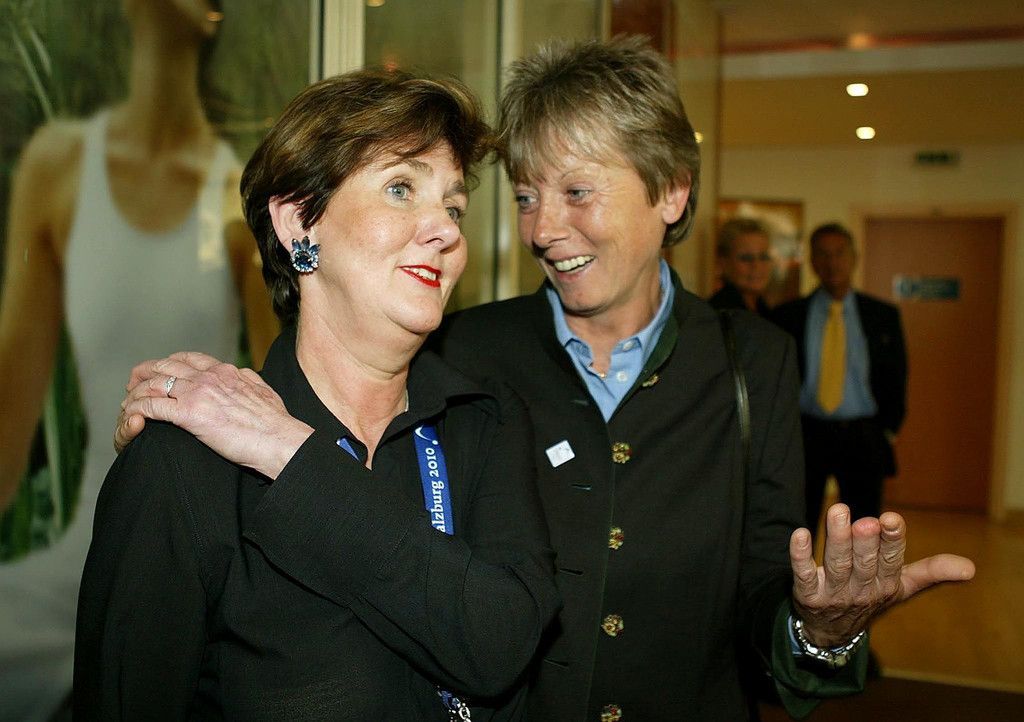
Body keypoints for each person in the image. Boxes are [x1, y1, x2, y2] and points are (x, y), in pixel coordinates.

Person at [115, 38, 972, 721]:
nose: (543, 229)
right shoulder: (463, 356)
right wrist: (187, 429)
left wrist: (817, 630)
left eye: (576, 191)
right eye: (525, 197)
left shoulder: (754, 362)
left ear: (671, 192)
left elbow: (758, 587)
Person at [75, 67, 560, 720]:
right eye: (400, 188)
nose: (445, 230)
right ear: (299, 222)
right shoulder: (183, 467)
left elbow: (502, 643)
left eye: (453, 208)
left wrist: (289, 451)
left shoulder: (483, 426)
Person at [0, 2, 276, 719]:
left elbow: (283, 399)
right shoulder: (58, 165)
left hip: (189, 553)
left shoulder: (236, 195)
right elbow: (8, 419)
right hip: (76, 558)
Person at [772, 222, 908, 534]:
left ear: (854, 258)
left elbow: (897, 376)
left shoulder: (882, 315)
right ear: (812, 261)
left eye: (839, 253)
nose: (832, 262)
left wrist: (888, 430)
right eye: (823, 254)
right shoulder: (788, 316)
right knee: (798, 524)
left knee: (863, 528)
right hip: (806, 433)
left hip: (863, 435)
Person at [708, 216, 773, 315]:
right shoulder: (716, 313)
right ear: (724, 263)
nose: (757, 265)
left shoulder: (766, 311)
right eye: (746, 258)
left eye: (763, 257)